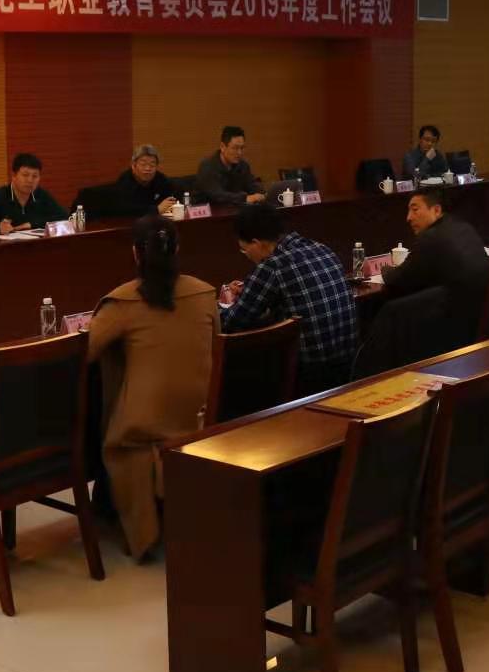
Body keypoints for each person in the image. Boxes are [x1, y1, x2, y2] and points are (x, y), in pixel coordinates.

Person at [87, 215, 217, 559]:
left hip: (144, 426)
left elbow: (84, 351)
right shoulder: (205, 292)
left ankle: (123, 522)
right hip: (201, 415)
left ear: (135, 253)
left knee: (100, 416)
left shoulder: (123, 301)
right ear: (178, 249)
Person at [221, 203, 358, 393]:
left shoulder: (272, 265)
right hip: (350, 364)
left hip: (310, 375)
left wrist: (215, 308)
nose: (246, 256)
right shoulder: (321, 248)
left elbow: (233, 322)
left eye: (244, 250)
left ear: (256, 243)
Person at [381, 190, 489, 343]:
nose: (409, 217)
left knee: (389, 311)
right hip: (481, 316)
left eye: (415, 209)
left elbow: (397, 280)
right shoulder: (463, 227)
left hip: (453, 326)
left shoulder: (430, 237)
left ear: (436, 210)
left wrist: (385, 269)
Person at [0, 153, 68, 234]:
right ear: (14, 176)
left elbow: (64, 216)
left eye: (35, 176)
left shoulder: (41, 195)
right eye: (25, 175)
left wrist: (31, 224)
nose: (30, 180)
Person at [196, 126, 264, 206]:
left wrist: (262, 194)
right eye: (235, 148)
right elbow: (218, 196)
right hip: (209, 211)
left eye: (242, 148)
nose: (239, 153)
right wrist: (245, 198)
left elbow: (252, 186)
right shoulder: (207, 167)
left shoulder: (243, 165)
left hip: (233, 210)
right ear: (222, 147)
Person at [109, 144, 178, 217]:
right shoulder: (125, 181)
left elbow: (172, 197)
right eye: (143, 164)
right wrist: (156, 209)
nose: (147, 169)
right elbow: (125, 209)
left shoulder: (160, 179)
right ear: (133, 166)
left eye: (152, 165)